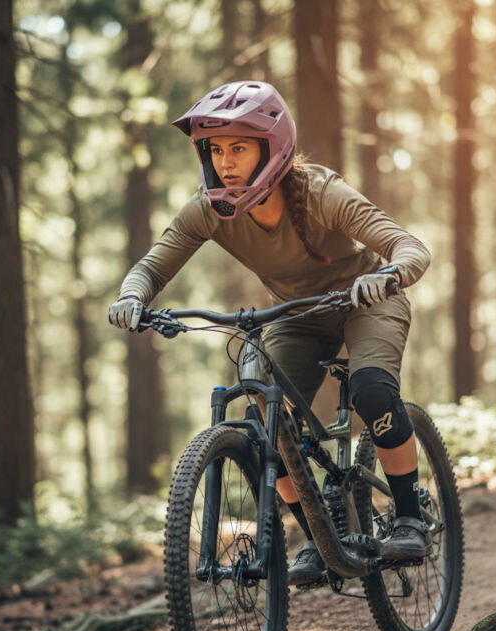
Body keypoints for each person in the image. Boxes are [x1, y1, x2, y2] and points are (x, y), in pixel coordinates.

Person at [109, 81, 432, 585]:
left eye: (239, 147)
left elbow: (408, 246)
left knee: (371, 392)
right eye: (216, 149)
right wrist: (132, 298)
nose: (226, 161)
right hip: (296, 316)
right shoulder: (209, 211)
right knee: (265, 426)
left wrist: (387, 275)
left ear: (272, 147)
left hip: (366, 302)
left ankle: (411, 513)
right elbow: (150, 269)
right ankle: (318, 539)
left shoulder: (323, 193)